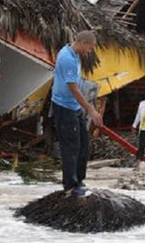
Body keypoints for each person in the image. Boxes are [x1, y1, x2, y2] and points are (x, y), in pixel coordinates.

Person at [51, 30, 103, 197]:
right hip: (64, 107)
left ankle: (79, 179)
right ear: (83, 43)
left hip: (74, 107)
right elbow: (73, 88)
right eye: (90, 47)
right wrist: (91, 109)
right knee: (70, 146)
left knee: (83, 143)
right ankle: (70, 185)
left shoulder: (74, 54)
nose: (90, 51)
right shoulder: (67, 58)